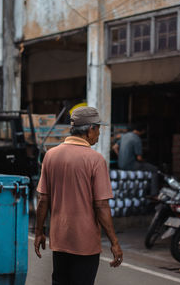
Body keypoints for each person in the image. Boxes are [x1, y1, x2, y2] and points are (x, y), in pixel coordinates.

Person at [34, 106, 123, 285]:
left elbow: (43, 199)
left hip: (60, 239)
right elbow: (101, 205)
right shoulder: (95, 160)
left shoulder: (50, 155)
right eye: (98, 129)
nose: (98, 134)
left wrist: (39, 232)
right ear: (91, 129)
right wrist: (114, 242)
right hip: (85, 243)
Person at [112, 123, 159, 196]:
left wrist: (121, 156)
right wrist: (145, 161)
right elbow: (139, 158)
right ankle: (154, 194)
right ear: (142, 131)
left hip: (120, 164)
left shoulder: (124, 136)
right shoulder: (137, 138)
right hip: (130, 165)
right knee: (154, 169)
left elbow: (114, 147)